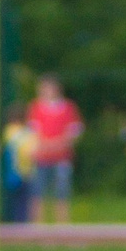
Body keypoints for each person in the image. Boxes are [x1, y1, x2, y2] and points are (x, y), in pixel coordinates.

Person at [26, 75, 83, 225]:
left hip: (62, 157)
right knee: (37, 193)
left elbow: (74, 132)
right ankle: (38, 227)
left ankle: (62, 227)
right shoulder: (36, 107)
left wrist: (57, 144)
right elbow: (33, 133)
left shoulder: (68, 108)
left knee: (62, 193)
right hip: (41, 157)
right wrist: (47, 145)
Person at [0, 105, 37, 225]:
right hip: (20, 171)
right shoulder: (18, 132)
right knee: (21, 201)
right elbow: (28, 150)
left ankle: (21, 224)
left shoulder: (12, 131)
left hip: (18, 171)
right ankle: (20, 225)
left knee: (21, 201)